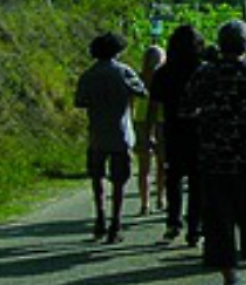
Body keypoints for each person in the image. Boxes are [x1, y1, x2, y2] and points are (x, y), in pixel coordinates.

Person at [184, 20, 246, 285]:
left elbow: (186, 109)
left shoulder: (204, 75)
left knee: (218, 222)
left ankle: (230, 281)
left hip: (213, 158)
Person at [75, 32, 148, 244]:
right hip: (120, 134)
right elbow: (142, 92)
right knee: (119, 181)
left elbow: (80, 101)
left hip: (97, 133)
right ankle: (115, 223)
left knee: (97, 178)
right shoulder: (123, 72)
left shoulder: (88, 75)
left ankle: (100, 216)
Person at [146, 24, 205, 247]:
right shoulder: (202, 70)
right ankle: (195, 227)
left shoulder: (164, 72)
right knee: (198, 181)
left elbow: (154, 105)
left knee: (174, 177)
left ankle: (173, 221)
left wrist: (150, 131)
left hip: (173, 129)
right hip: (199, 130)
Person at [133, 45, 166, 216]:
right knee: (161, 163)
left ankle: (145, 203)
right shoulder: (165, 78)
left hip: (141, 120)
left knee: (144, 166)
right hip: (160, 121)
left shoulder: (138, 77)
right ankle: (160, 198)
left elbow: (131, 102)